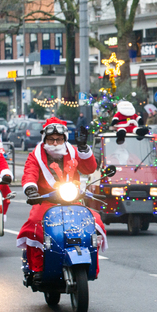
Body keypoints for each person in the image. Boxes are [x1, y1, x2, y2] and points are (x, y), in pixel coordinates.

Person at [16, 117, 107, 283]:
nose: (55, 142)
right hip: (45, 200)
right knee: (35, 224)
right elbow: (30, 172)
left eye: (59, 139)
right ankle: (37, 268)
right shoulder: (36, 155)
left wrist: (83, 148)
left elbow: (90, 168)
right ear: (45, 139)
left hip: (71, 199)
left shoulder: (73, 152)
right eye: (51, 139)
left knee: (95, 222)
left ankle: (91, 266)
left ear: (65, 139)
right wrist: (31, 189)